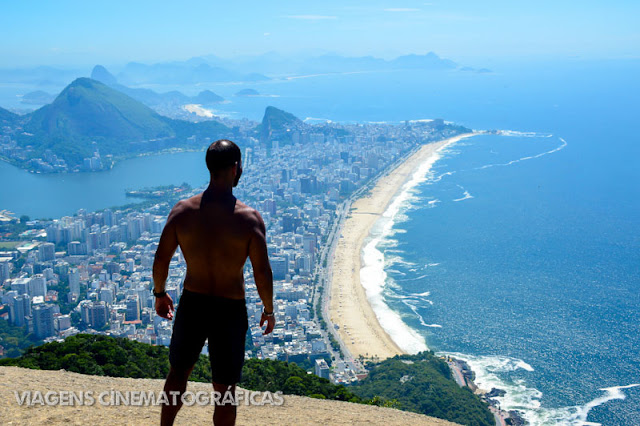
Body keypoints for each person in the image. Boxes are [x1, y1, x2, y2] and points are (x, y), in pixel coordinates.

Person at [153, 139, 274, 426]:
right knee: (225, 389)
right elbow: (262, 272)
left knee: (178, 373)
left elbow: (161, 259)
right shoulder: (248, 219)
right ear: (236, 168)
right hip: (229, 309)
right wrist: (268, 310)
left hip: (193, 302)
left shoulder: (182, 211)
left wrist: (159, 293)